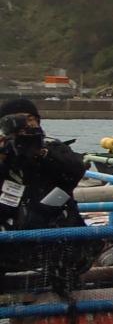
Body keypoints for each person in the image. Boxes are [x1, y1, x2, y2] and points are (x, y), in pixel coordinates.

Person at [0, 97, 93, 288]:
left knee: (65, 282)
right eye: (17, 120)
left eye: (29, 118)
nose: (25, 125)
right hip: (11, 238)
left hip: (57, 238)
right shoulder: (4, 152)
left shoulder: (54, 149)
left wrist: (41, 153)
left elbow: (75, 169)